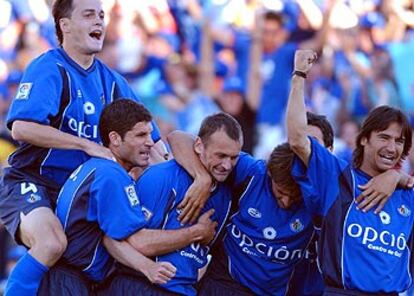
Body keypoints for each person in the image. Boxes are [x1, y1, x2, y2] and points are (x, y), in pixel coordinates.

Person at [0, 0, 171, 295]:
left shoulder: (113, 82)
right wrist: (86, 145)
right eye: (89, 15)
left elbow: (154, 143)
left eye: (102, 15)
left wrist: (181, 184)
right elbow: (20, 127)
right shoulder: (49, 66)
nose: (99, 22)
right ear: (65, 25)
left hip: (82, 196)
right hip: (34, 182)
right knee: (52, 243)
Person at [37, 99, 217, 295]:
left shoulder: (102, 169)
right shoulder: (112, 175)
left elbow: (110, 237)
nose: (150, 142)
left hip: (71, 279)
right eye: (141, 135)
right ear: (115, 138)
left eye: (149, 134)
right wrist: (197, 232)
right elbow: (134, 241)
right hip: (68, 282)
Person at [287, 49, 414, 294]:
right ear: (364, 139)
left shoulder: (407, 193)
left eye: (399, 142)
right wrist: (299, 75)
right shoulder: (337, 177)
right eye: (384, 137)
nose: (391, 148)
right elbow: (297, 139)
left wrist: (396, 176)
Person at [101, 112, 244, 295]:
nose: (227, 165)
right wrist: (195, 233)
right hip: (140, 286)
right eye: (220, 155)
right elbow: (126, 240)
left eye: (233, 158)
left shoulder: (227, 194)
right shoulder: (161, 178)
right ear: (199, 146)